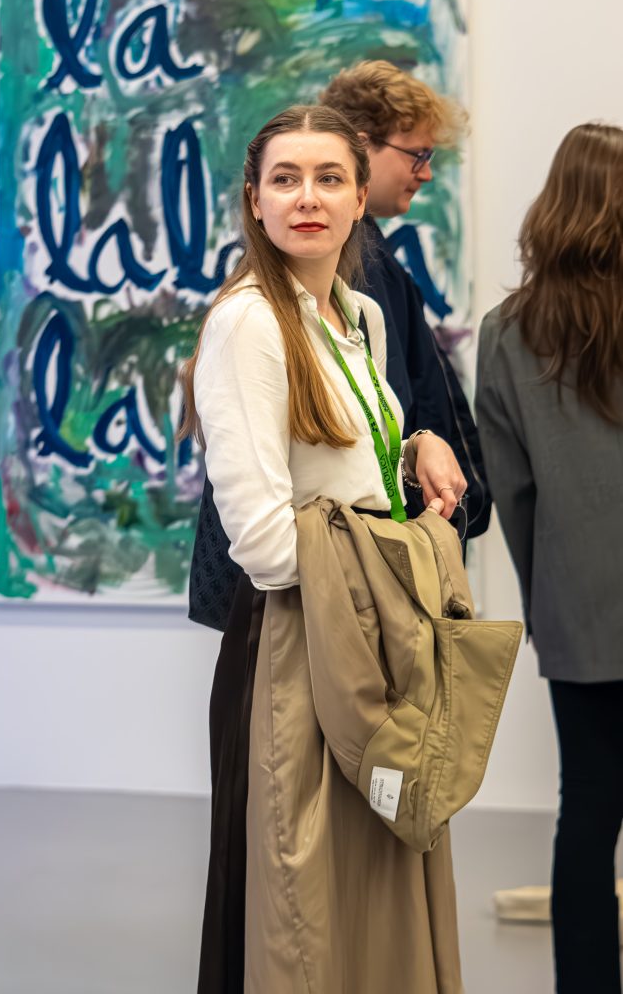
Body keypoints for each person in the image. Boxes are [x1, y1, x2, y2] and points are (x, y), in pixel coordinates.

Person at [180, 104, 467, 993]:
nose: (308, 197)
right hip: (298, 643)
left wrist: (414, 440)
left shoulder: (357, 317)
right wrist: (379, 548)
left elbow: (350, 461)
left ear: (356, 203)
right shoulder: (248, 324)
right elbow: (263, 543)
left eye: (329, 178)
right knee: (301, 900)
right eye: (285, 179)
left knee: (376, 883)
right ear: (255, 203)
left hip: (366, 631)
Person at [475, 122, 623, 994]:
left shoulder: (505, 331)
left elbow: (511, 492)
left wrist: (545, 603)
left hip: (575, 606)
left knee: (587, 812)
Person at [319, 60, 491, 541]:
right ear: (359, 145)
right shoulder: (350, 263)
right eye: (418, 155)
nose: (428, 173)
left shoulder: (369, 252)